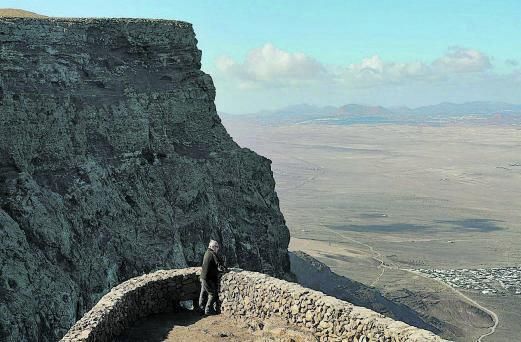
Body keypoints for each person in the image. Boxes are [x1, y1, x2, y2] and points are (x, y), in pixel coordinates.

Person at [199, 239, 227, 315]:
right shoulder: (212, 254)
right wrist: (225, 270)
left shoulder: (207, 252)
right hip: (208, 278)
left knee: (203, 293)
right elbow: (219, 266)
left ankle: (201, 308)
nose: (218, 248)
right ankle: (208, 310)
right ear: (213, 247)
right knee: (212, 294)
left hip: (203, 276)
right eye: (217, 247)